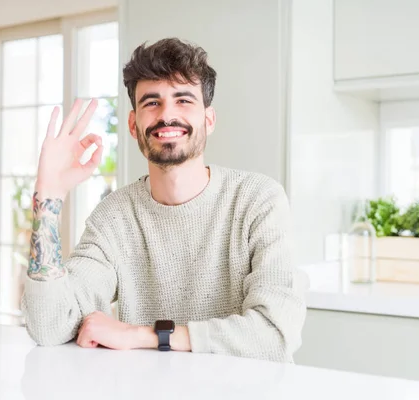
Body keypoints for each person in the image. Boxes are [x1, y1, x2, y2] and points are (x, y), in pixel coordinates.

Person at [21, 37, 306, 362]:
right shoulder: (114, 218)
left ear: (208, 120)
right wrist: (48, 196)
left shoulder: (258, 200)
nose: (167, 115)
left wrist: (144, 335)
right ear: (133, 124)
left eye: (183, 100)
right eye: (151, 102)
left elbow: (275, 333)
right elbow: (48, 325)